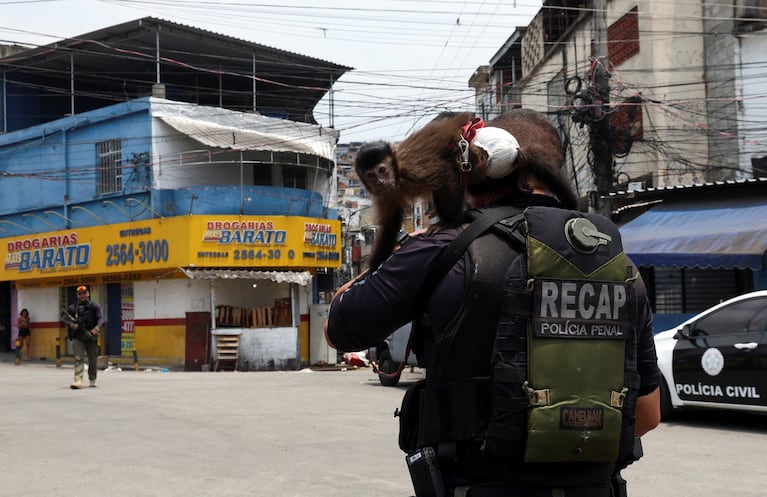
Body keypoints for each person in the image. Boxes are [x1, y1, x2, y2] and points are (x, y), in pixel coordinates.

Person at [325, 109, 661, 497]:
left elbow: (339, 329)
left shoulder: (444, 246)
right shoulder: (619, 265)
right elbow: (648, 414)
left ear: (481, 162)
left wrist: (406, 251)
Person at [62, 285, 104, 389]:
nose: (82, 295)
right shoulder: (72, 308)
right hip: (78, 336)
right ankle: (78, 380)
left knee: (92, 359)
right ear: (77, 295)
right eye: (80, 294)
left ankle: (92, 379)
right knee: (78, 358)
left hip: (91, 335)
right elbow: (65, 319)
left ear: (88, 294)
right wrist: (72, 325)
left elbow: (101, 319)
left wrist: (96, 329)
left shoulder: (94, 306)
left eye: (84, 293)